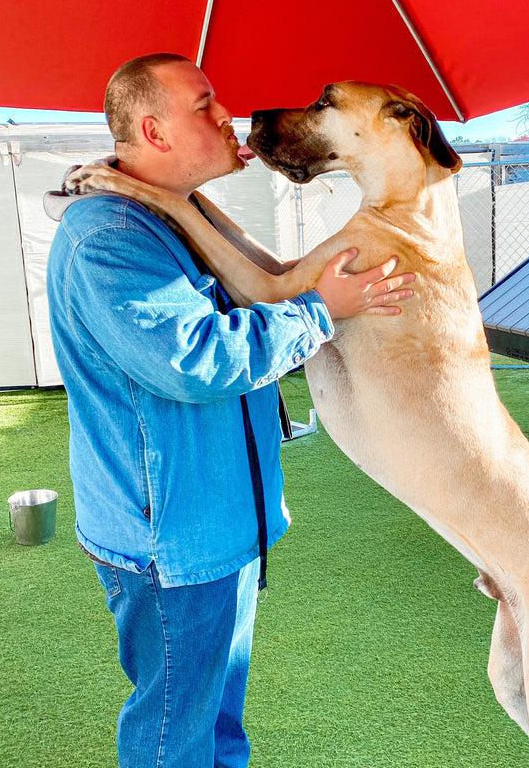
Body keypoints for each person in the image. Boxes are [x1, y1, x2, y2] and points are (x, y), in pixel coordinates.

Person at [45, 53, 414, 768]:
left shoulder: (165, 220)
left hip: (217, 531)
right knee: (175, 737)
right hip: (171, 547)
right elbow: (200, 359)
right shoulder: (109, 239)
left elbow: (257, 291)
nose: (226, 116)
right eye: (204, 103)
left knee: (213, 726)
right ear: (152, 130)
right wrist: (320, 313)